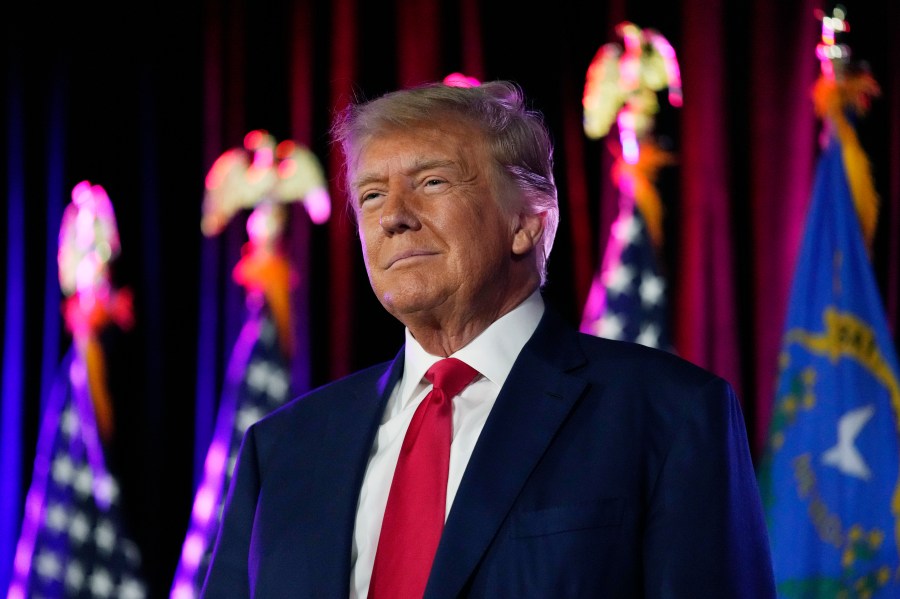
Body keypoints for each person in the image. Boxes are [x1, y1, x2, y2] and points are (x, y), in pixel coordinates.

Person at [201, 80, 776, 598]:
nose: (392, 217)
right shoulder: (281, 450)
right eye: (372, 195)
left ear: (526, 219)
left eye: (432, 181)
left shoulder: (668, 413)